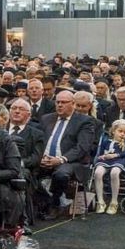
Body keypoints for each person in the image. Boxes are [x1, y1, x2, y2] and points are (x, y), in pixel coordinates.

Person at [37, 91, 96, 220]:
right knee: (26, 170)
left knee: (61, 174)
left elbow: (82, 147)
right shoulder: (46, 118)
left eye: (64, 102)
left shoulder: (85, 121)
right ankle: (41, 202)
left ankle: (55, 204)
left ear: (73, 104)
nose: (59, 105)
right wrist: (39, 157)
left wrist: (61, 159)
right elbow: (39, 141)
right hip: (45, 159)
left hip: (71, 161)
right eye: (57, 102)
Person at [92, 119, 125, 215]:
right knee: (98, 173)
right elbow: (100, 152)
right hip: (105, 160)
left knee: (114, 172)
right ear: (114, 131)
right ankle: (100, 201)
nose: (123, 134)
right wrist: (102, 156)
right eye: (120, 131)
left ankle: (114, 202)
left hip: (119, 160)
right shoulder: (106, 141)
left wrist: (116, 155)